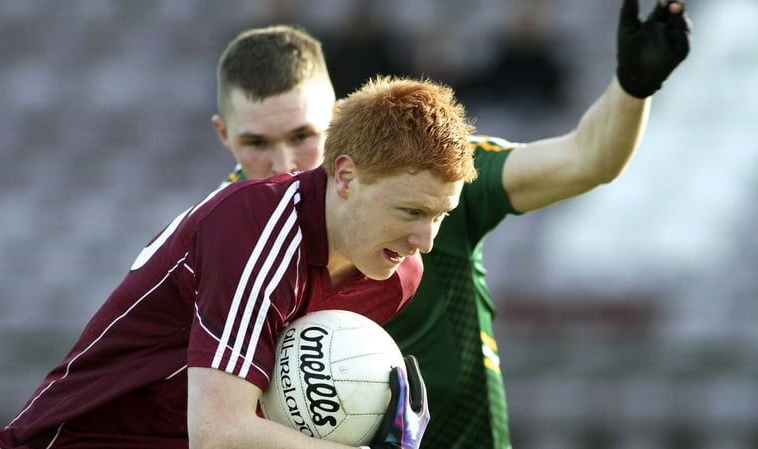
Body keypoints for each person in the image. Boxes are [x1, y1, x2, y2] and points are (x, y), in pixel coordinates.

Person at [215, 1, 691, 448]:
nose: (282, 162)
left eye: (302, 135)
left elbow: (588, 159)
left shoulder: (436, 178)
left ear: (334, 120)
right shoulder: (226, 233)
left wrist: (632, 85)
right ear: (226, 138)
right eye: (255, 142)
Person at [0, 76, 478, 449]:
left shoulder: (394, 277)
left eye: (440, 216)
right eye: (411, 212)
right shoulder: (255, 228)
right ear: (346, 176)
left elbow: (279, 415)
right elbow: (219, 433)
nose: (426, 241)